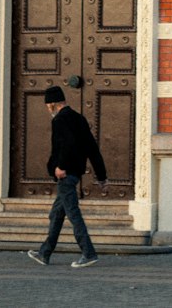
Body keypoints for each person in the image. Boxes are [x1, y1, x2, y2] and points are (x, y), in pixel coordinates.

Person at [27, 85, 109, 268]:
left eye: (48, 105)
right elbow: (92, 148)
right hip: (74, 174)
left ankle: (88, 253)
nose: (48, 109)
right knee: (56, 214)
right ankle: (44, 253)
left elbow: (67, 144)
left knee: (73, 214)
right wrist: (102, 176)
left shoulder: (60, 120)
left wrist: (60, 166)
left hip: (66, 174)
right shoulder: (79, 118)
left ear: (53, 104)